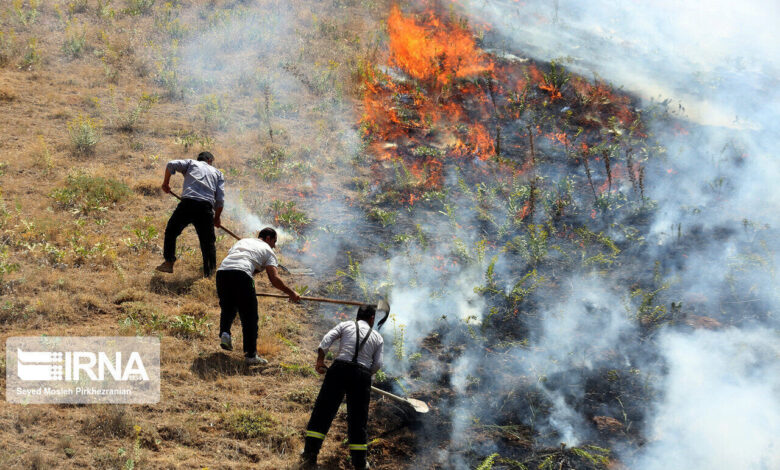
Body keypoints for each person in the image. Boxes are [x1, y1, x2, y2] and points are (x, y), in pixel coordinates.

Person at [298, 305, 384, 470]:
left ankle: (310, 454)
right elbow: (378, 364)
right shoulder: (378, 338)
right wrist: (365, 376)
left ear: (358, 316)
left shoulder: (346, 325)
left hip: (339, 369)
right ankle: (359, 463)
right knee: (358, 420)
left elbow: (326, 340)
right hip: (362, 374)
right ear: (372, 319)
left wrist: (320, 360)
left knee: (323, 412)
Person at [217, 227, 301, 364]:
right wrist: (291, 293)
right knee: (249, 316)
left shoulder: (243, 241)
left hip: (222, 273)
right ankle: (250, 355)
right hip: (242, 274)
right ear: (268, 238)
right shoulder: (268, 251)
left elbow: (235, 260)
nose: (274, 245)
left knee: (228, 306)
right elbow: (274, 279)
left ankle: (225, 333)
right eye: (274, 241)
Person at [156, 151, 225, 277]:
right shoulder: (218, 173)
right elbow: (220, 200)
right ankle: (210, 275)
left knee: (171, 231)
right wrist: (216, 218)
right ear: (209, 160)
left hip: (187, 204)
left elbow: (171, 164)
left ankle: (169, 262)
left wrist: (165, 183)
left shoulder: (191, 163)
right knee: (208, 243)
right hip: (205, 209)